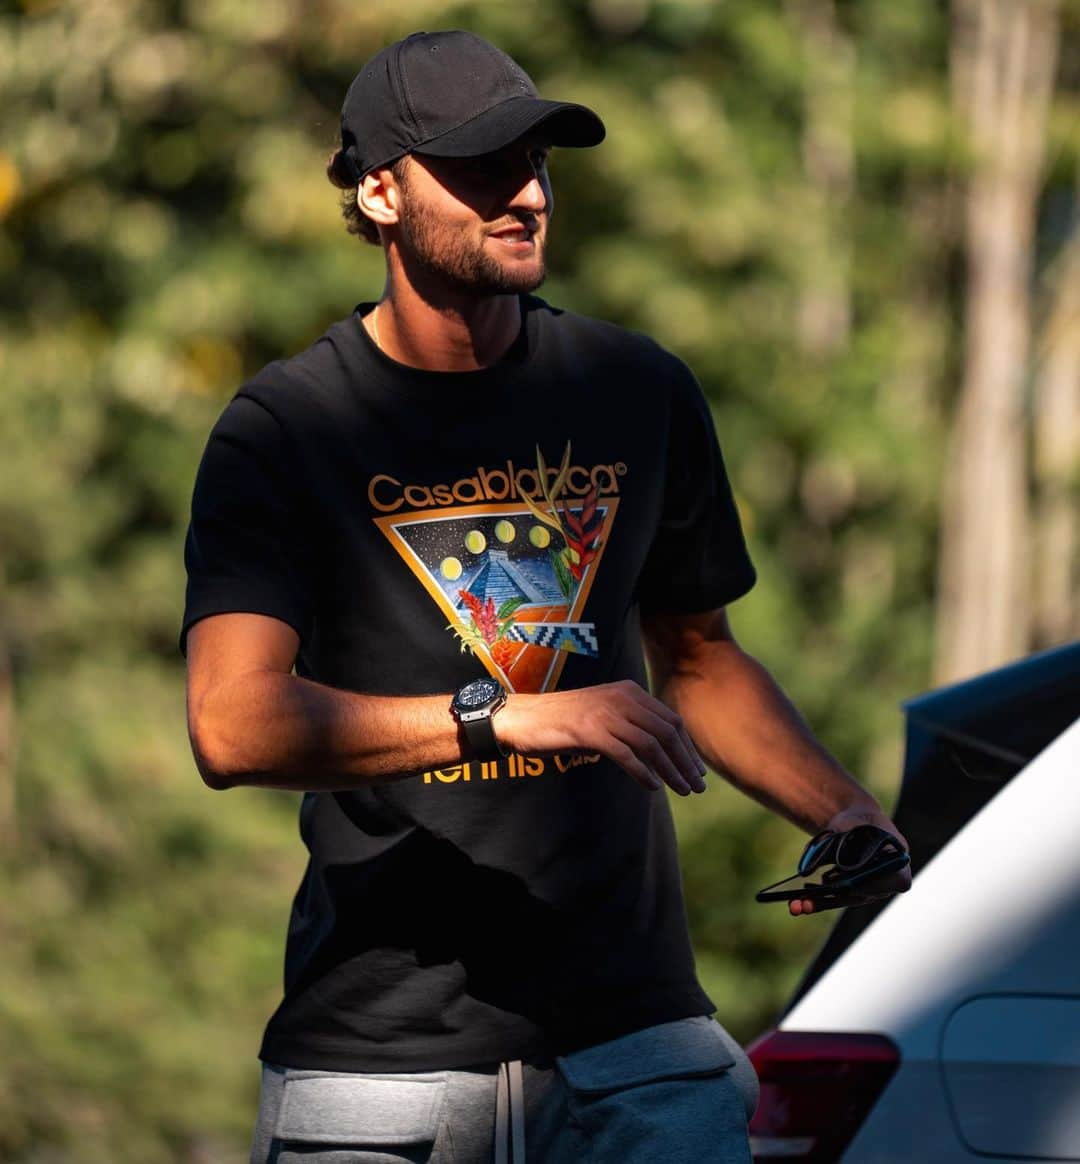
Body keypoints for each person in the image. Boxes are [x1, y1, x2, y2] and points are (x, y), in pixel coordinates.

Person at [181, 29, 911, 1164]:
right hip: (383, 1072)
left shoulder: (636, 391)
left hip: (641, 1050)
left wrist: (847, 813)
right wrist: (500, 712)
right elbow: (232, 723)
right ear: (379, 191)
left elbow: (704, 666)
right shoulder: (285, 430)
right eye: (483, 168)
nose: (528, 195)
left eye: (538, 162)